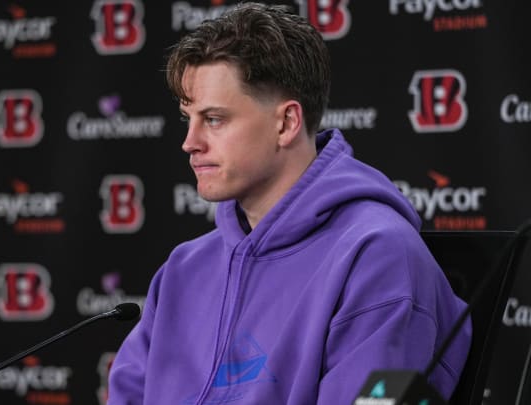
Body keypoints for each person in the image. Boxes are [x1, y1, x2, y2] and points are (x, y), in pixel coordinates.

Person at [107, 3, 471, 404]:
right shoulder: (182, 269)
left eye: (213, 119)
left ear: (286, 123)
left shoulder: (378, 257)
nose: (190, 142)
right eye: (187, 119)